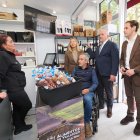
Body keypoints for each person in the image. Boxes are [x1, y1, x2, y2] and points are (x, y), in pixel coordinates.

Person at [0, 35, 32, 135]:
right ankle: (19, 124)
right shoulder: (2, 55)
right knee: (27, 105)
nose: (13, 43)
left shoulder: (9, 55)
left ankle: (19, 126)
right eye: (10, 42)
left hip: (17, 86)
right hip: (14, 88)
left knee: (18, 107)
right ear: (3, 45)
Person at [86, 29, 119, 118]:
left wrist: (113, 74)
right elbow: (93, 56)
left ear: (107, 35)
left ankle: (109, 109)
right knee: (99, 90)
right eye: (99, 34)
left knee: (109, 92)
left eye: (102, 34)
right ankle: (101, 105)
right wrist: (88, 48)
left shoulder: (112, 45)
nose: (100, 36)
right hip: (98, 73)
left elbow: (115, 60)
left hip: (108, 74)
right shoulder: (99, 47)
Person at [120, 20, 140, 136]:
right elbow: (122, 59)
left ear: (133, 28)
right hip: (126, 74)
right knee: (128, 96)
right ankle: (130, 115)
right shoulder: (124, 43)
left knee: (139, 100)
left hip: (137, 75)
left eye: (126, 28)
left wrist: (135, 70)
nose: (124, 30)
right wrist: (122, 66)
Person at [72, 53, 98, 138]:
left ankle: (86, 123)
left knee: (87, 100)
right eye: (79, 59)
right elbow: (71, 80)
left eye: (81, 59)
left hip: (87, 91)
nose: (79, 60)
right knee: (70, 101)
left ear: (86, 61)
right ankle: (73, 124)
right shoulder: (75, 69)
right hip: (77, 90)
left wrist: (88, 90)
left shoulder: (92, 70)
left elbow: (95, 83)